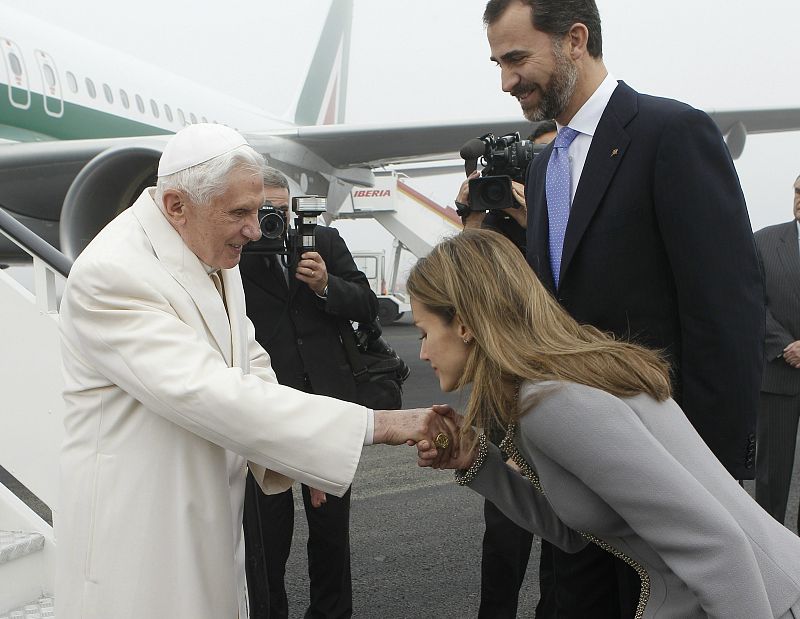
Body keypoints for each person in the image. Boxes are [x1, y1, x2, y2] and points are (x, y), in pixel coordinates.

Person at [56, 123, 455, 619]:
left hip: (204, 516)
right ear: (177, 205)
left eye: (259, 212)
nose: (254, 228)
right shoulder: (112, 275)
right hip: (139, 532)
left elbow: (251, 365)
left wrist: (301, 452)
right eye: (240, 213)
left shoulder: (209, 252)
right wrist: (382, 424)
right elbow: (210, 392)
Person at [482, 0, 765, 615]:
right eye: (498, 62)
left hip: (669, 476)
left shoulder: (672, 134)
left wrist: (707, 480)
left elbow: (727, 316)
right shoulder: (546, 163)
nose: (506, 81)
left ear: (575, 40)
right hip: (580, 483)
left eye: (517, 58)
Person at [408, 229, 800, 619]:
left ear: (463, 324)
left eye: (424, 332)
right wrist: (475, 462)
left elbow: (718, 548)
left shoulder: (552, 403)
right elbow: (576, 530)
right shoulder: (557, 385)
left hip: (760, 601)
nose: (423, 352)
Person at [239, 167, 378, 618]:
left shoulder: (324, 241)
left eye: (280, 210)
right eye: (263, 212)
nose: (271, 221)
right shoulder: (234, 253)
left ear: (294, 208)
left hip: (326, 407)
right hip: (267, 412)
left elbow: (366, 304)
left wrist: (324, 285)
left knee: (332, 536)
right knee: (267, 541)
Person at [455, 119, 557, 619]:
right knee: (504, 534)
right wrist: (470, 211)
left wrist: (528, 212)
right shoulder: (493, 225)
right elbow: (464, 282)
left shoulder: (568, 219)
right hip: (504, 394)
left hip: (562, 393)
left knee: (569, 538)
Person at [754, 175, 800, 534]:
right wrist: (786, 345)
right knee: (771, 480)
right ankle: (773, 563)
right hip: (778, 374)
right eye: (798, 191)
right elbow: (751, 302)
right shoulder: (765, 242)